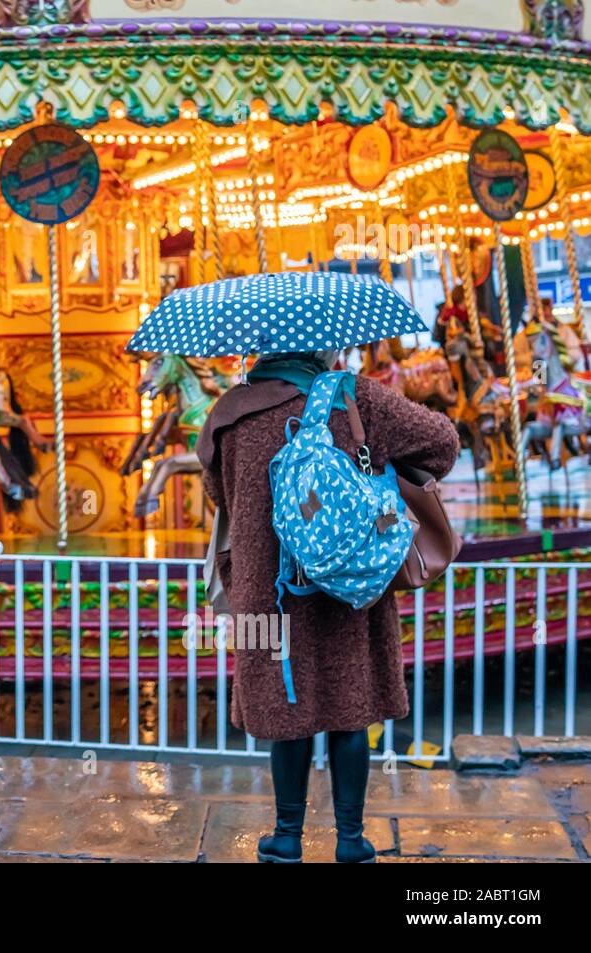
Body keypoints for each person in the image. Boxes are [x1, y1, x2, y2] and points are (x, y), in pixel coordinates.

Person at [196, 350, 459, 864]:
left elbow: (216, 493)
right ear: (320, 345)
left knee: (287, 709)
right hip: (350, 583)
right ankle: (350, 839)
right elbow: (443, 444)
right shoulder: (354, 396)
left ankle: (287, 837)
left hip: (269, 590)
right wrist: (376, 459)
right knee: (350, 711)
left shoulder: (229, 414)